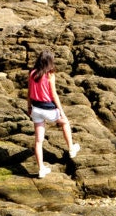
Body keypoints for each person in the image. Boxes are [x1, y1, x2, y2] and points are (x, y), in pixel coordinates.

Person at [27, 49, 80, 178]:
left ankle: (41, 170)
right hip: (49, 109)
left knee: (38, 141)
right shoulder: (50, 75)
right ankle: (71, 149)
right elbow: (54, 94)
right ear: (50, 62)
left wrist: (28, 107)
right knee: (65, 123)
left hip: (36, 109)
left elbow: (28, 92)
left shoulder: (32, 73)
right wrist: (61, 111)